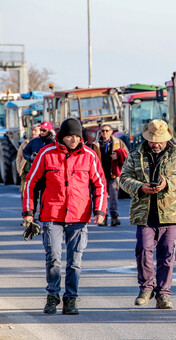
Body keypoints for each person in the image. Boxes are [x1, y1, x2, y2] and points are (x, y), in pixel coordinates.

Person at [22, 118, 107, 315]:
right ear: (62, 136)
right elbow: (31, 183)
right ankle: (52, 296)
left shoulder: (89, 156)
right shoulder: (46, 153)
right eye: (69, 136)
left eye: (77, 136)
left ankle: (70, 299)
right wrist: (28, 212)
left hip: (79, 216)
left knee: (75, 261)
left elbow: (100, 185)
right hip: (52, 214)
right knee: (53, 258)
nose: (74, 140)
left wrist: (100, 211)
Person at [120, 119, 176, 310]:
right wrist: (140, 187)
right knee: (144, 250)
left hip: (170, 213)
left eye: (159, 140)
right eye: (153, 140)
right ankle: (145, 288)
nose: (156, 144)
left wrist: (167, 182)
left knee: (167, 254)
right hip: (144, 213)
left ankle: (163, 294)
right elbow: (124, 178)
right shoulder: (136, 155)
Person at [92, 124, 129, 226]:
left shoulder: (118, 142)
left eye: (107, 131)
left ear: (111, 132)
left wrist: (118, 156)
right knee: (101, 196)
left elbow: (126, 154)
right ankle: (102, 217)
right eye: (103, 131)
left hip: (113, 173)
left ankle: (114, 217)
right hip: (100, 174)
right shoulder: (95, 144)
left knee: (113, 196)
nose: (105, 133)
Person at [16, 124, 40, 202]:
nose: (33, 132)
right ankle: (27, 212)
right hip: (27, 174)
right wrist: (20, 169)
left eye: (35, 130)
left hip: (39, 174)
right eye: (32, 130)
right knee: (25, 194)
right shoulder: (25, 143)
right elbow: (19, 157)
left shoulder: (44, 143)